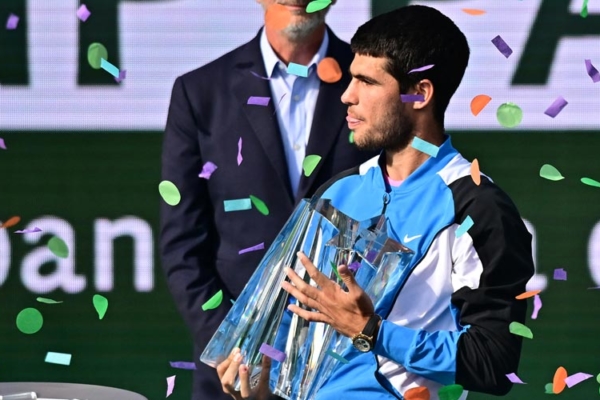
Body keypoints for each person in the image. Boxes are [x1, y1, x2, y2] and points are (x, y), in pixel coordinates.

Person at [219, 4, 534, 400]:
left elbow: (493, 362)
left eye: (367, 82)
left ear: (419, 94)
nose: (347, 96)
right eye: (350, 78)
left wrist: (372, 331)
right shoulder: (337, 193)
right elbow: (301, 354)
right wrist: (263, 391)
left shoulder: (479, 207)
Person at [160, 1, 377, 399]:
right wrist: (228, 345)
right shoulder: (200, 92)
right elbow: (182, 245)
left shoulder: (376, 83)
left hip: (350, 370)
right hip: (232, 377)